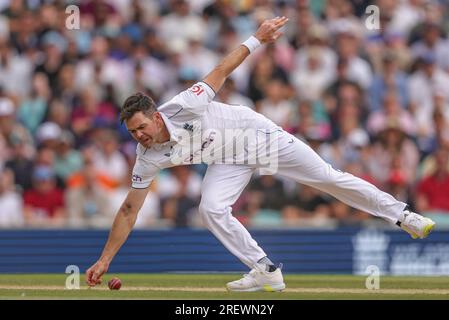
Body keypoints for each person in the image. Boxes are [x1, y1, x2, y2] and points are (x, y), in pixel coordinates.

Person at [86, 17, 435, 292]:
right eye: (132, 132)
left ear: (157, 116)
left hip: (255, 136)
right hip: (227, 160)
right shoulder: (145, 156)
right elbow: (130, 209)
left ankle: (405, 216)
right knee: (209, 209)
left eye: (142, 127)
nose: (139, 135)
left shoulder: (183, 105)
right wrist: (104, 260)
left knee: (327, 178)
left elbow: (221, 70)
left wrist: (257, 38)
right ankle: (265, 270)